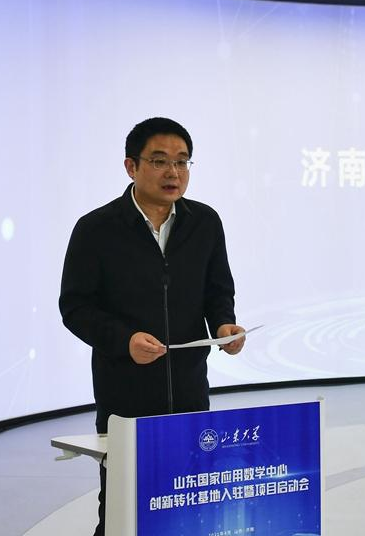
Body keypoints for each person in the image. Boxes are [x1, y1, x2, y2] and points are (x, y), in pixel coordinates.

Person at [58, 117, 245, 536]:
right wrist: (124, 341)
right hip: (125, 389)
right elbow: (75, 307)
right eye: (160, 161)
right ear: (131, 166)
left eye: (182, 161)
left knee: (187, 498)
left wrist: (224, 326)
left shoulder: (205, 223)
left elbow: (218, 291)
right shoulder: (96, 229)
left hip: (190, 385)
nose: (173, 172)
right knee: (124, 504)